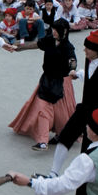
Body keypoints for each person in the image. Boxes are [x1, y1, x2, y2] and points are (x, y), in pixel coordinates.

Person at [49, 29, 98, 173]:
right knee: (65, 137)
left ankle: (84, 189)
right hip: (84, 110)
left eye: (87, 48)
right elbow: (89, 74)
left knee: (88, 151)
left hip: (97, 118)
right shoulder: (90, 61)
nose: (84, 50)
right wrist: (77, 74)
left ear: (96, 50)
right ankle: (53, 173)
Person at [9, 20, 78, 151]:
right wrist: (20, 47)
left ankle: (61, 135)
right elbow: (36, 44)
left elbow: (72, 61)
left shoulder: (68, 47)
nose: (54, 32)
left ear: (65, 31)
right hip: (46, 80)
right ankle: (42, 141)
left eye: (57, 30)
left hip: (62, 83)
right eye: (53, 29)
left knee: (61, 115)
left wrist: (73, 69)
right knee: (42, 109)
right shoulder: (49, 39)